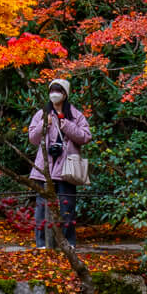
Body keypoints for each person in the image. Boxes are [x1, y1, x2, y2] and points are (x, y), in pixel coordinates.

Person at [28, 78, 90, 248]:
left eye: (58, 91)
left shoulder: (75, 115)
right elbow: (33, 138)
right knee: (42, 207)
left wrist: (66, 125)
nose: (54, 94)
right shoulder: (41, 113)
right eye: (52, 91)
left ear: (65, 94)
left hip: (66, 168)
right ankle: (42, 242)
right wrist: (44, 124)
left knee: (67, 207)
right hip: (44, 168)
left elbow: (85, 137)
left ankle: (67, 242)